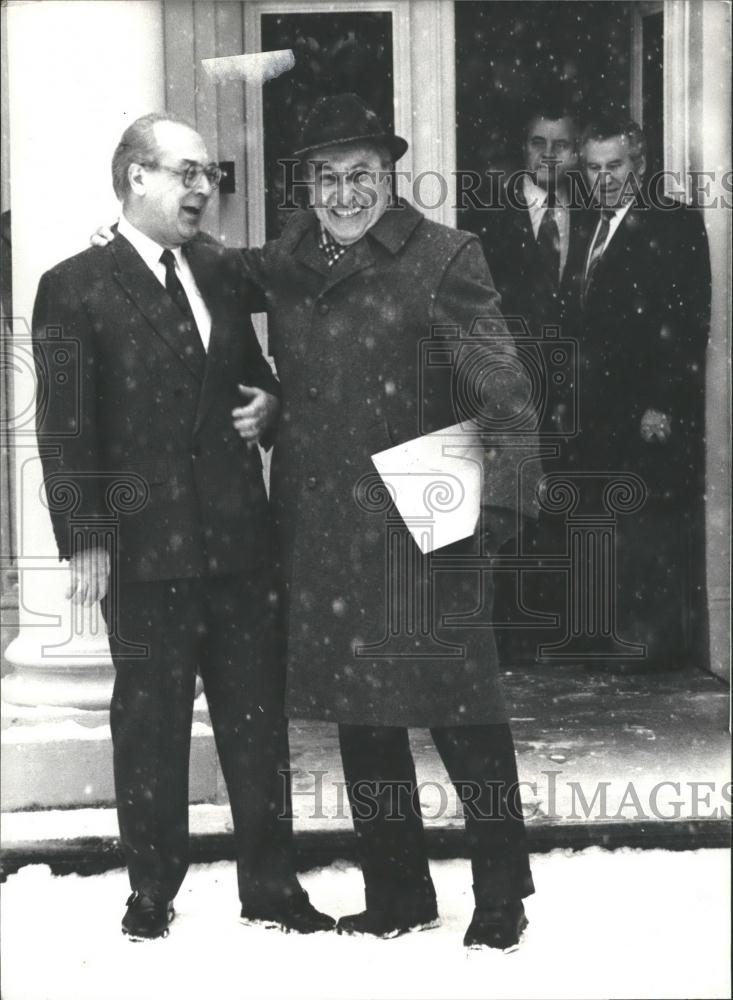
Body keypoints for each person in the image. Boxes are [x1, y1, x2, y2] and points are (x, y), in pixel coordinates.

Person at [233, 94, 540, 950]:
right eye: (326, 178)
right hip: (324, 514)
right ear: (305, 187)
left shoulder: (444, 256)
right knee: (360, 715)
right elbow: (207, 287)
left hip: (420, 506)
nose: (342, 194)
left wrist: (507, 499)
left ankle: (500, 890)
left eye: (359, 175)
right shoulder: (288, 256)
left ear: (389, 175)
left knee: (460, 711)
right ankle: (398, 891)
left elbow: (503, 385)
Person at [33, 112, 334, 940]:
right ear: (137, 177)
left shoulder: (218, 269)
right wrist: (87, 534)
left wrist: (271, 404)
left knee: (256, 720)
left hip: (239, 543)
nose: (205, 188)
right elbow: (64, 425)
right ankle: (151, 888)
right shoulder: (74, 283)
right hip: (143, 548)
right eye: (186, 172)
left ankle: (270, 887)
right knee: (151, 722)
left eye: (208, 174)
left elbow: (255, 374)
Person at [574, 115, 711, 668]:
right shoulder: (591, 223)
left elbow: (685, 322)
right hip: (599, 408)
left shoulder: (672, 224)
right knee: (609, 524)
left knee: (647, 525)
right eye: (593, 168)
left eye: (615, 167)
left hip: (645, 410)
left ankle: (649, 652)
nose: (604, 179)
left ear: (640, 166)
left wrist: (662, 402)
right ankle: (617, 642)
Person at [461, 102, 592, 662]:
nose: (548, 155)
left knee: (564, 504)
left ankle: (554, 632)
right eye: (538, 142)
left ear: (576, 151)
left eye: (560, 145)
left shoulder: (594, 212)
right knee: (505, 508)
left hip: (574, 387)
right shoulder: (487, 212)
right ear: (523, 148)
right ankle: (507, 638)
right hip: (506, 380)